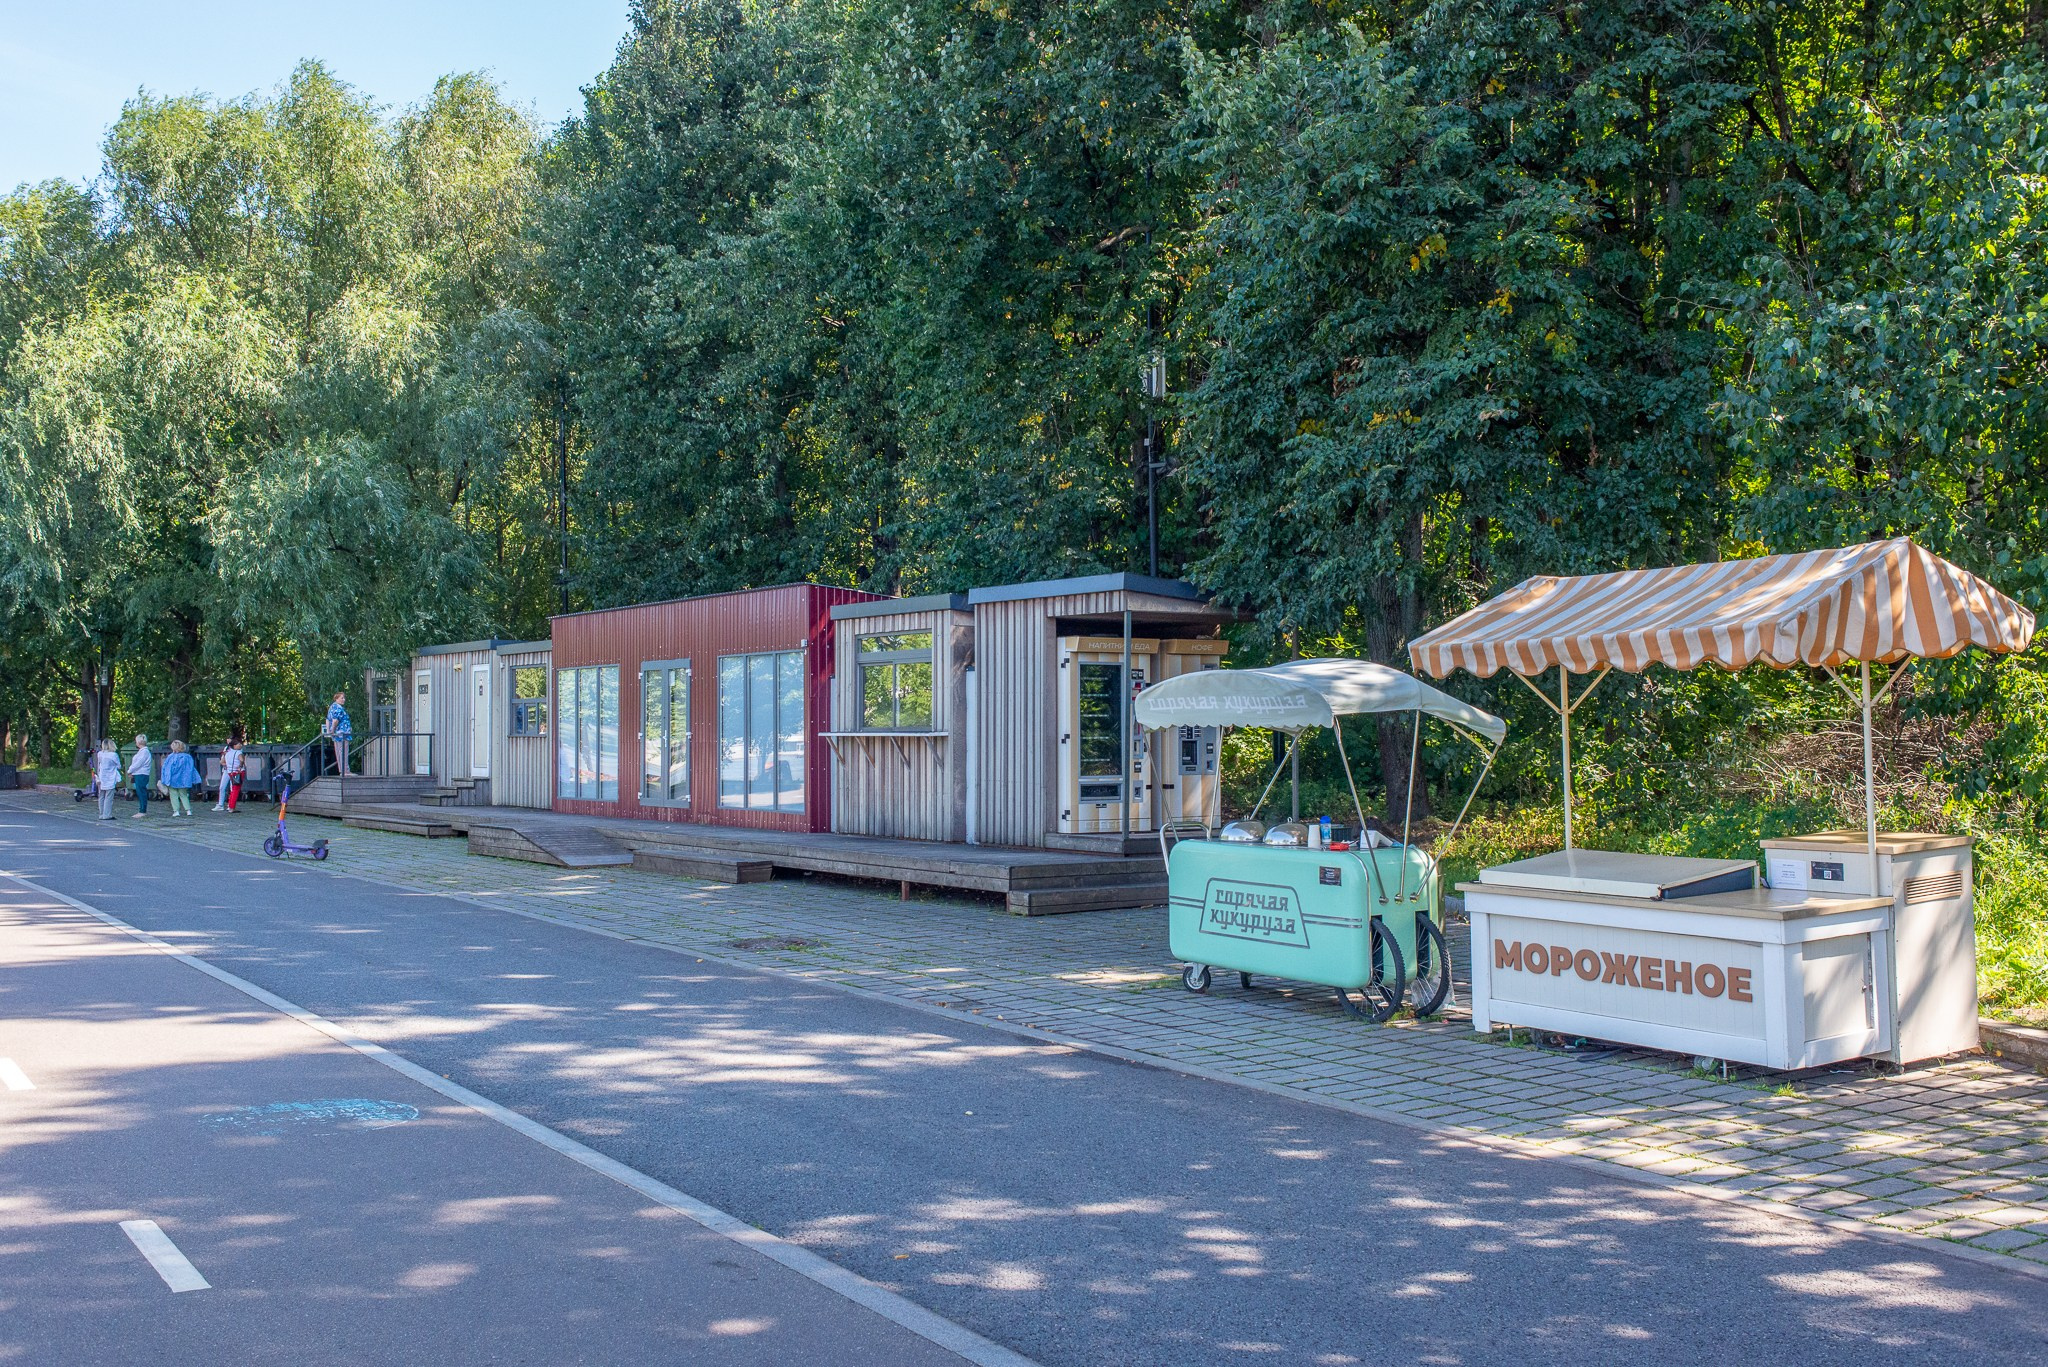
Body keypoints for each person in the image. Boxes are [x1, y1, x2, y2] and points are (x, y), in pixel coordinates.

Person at [161, 741, 197, 817]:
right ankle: (188, 810)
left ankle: (176, 811)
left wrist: (164, 779)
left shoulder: (171, 757)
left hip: (173, 779)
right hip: (184, 780)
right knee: (184, 795)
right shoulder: (188, 757)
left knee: (173, 795)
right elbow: (191, 769)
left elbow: (166, 769)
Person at [324, 692, 353, 777]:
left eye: (344, 698)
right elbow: (335, 720)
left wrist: (329, 731)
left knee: (339, 752)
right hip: (342, 734)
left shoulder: (332, 707)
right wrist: (332, 730)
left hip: (337, 735)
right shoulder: (338, 708)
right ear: (336, 699)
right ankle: (346, 771)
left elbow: (327, 719)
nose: (344, 700)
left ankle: (342, 770)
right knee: (343, 752)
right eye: (342, 698)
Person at [93, 738, 121, 820]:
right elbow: (119, 766)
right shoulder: (113, 755)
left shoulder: (100, 754)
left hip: (101, 777)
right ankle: (107, 814)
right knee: (109, 797)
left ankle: (101, 814)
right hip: (110, 777)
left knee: (101, 796)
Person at [218, 732, 245, 813]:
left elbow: (222, 762)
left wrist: (228, 766)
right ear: (234, 745)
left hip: (230, 772)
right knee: (235, 790)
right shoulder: (239, 752)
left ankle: (228, 805)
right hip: (238, 772)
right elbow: (242, 760)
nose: (240, 745)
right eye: (238, 744)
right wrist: (240, 766)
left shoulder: (227, 753)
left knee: (232, 788)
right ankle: (231, 807)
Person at [127, 734, 153, 817]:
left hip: (141, 774)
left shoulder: (144, 752)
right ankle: (142, 809)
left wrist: (130, 770)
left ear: (138, 742)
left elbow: (138, 763)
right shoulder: (143, 751)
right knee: (140, 791)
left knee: (141, 792)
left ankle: (142, 811)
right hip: (139, 773)